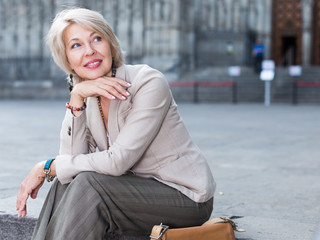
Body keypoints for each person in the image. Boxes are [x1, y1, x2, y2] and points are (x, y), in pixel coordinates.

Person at [16, 8, 216, 239]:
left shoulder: (147, 82)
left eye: (97, 39)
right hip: (133, 191)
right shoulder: (88, 96)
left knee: (88, 184)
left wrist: (46, 166)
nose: (90, 51)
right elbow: (71, 162)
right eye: (76, 45)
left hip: (184, 196)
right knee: (66, 183)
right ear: (67, 60)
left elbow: (117, 162)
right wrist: (77, 99)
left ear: (110, 43)